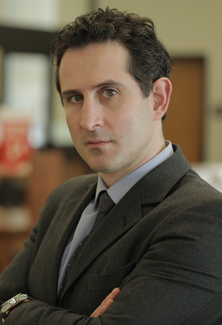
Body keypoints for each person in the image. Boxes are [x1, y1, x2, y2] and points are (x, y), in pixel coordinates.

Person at [1, 7, 222, 325]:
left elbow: (6, 303)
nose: (88, 121)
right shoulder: (64, 197)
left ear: (158, 98)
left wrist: (15, 310)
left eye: (109, 92)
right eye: (74, 98)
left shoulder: (205, 219)